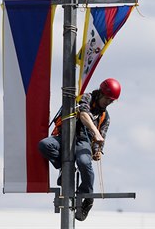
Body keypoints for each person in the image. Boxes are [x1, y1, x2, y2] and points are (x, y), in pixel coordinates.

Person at [38, 78, 121, 221]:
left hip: (83, 142)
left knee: (84, 162)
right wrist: (95, 132)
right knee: (45, 145)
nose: (108, 103)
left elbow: (102, 137)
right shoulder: (86, 98)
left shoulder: (105, 116)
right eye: (107, 99)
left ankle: (87, 197)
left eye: (111, 101)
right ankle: (65, 167)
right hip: (65, 137)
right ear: (101, 93)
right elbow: (83, 115)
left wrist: (98, 150)